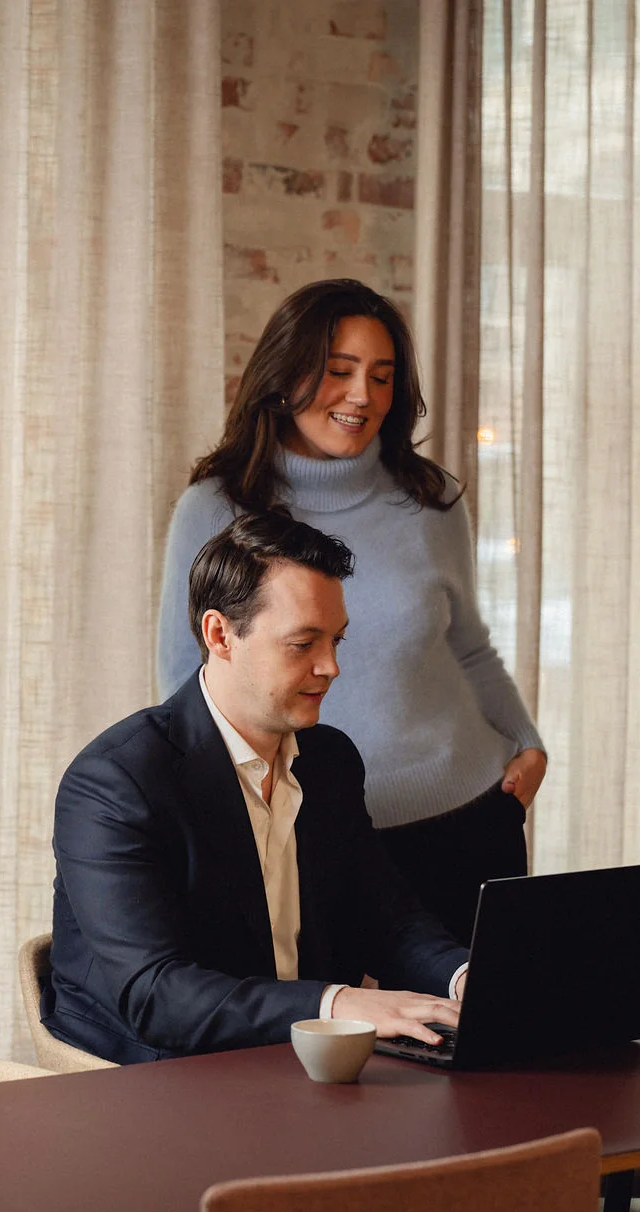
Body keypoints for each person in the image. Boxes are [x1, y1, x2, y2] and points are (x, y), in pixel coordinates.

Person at [155, 279, 545, 948]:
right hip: (312, 837)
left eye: (383, 376)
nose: (363, 395)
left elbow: (468, 644)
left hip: (469, 819)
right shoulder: (217, 507)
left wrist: (526, 740)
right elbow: (183, 683)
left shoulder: (431, 498)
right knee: (334, 1042)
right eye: (339, 372)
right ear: (284, 375)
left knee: (483, 1044)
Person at [44, 511, 469, 1064]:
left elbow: (386, 918)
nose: (332, 667)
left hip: (300, 1059)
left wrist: (465, 977)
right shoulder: (115, 781)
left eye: (336, 640)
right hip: (149, 1074)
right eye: (303, 643)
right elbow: (156, 995)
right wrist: (339, 1004)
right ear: (220, 634)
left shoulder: (329, 760)